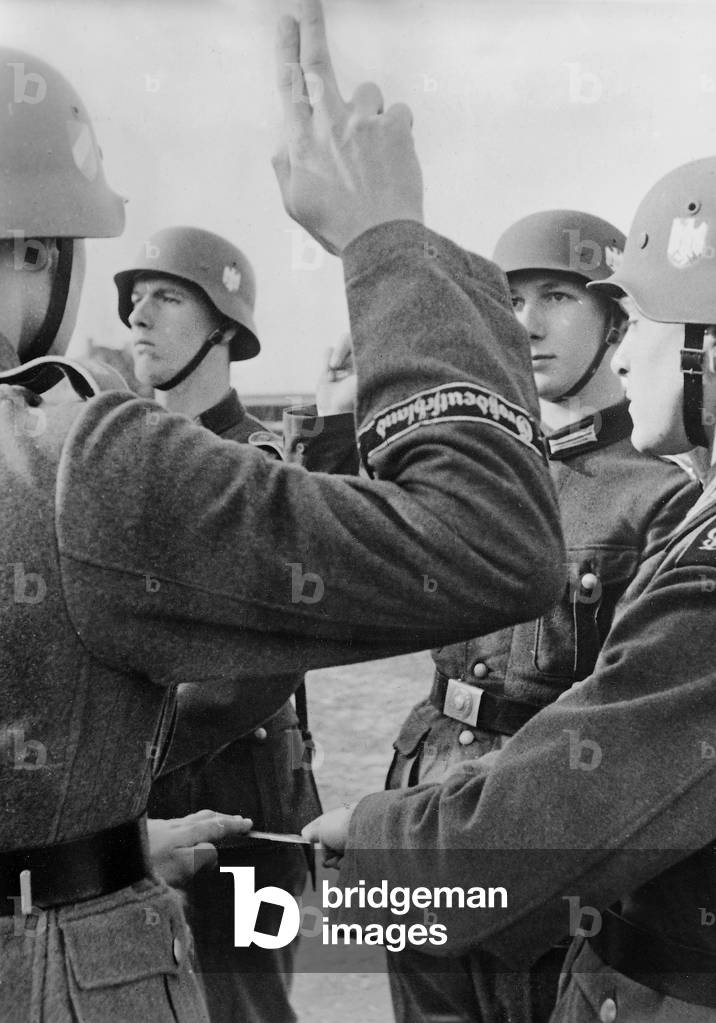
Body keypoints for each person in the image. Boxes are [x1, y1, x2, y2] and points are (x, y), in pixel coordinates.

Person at [0, 4, 564, 1021]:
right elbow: (489, 542)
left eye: (167, 301)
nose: (136, 317)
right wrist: (385, 234)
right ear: (39, 256)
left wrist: (82, 839)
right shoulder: (77, 460)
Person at [306, 155, 716, 1023]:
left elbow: (617, 756)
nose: (527, 323)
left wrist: (391, 834)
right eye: (511, 300)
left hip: (543, 846)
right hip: (456, 800)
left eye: (636, 314)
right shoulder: (497, 471)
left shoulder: (667, 502)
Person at [115, 225, 321, 1023]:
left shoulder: (258, 472)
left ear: (226, 331)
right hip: (142, 807)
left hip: (239, 808)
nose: (140, 314)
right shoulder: (121, 459)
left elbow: (251, 677)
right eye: (137, 299)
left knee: (243, 1010)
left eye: (167, 297)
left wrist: (121, 744)